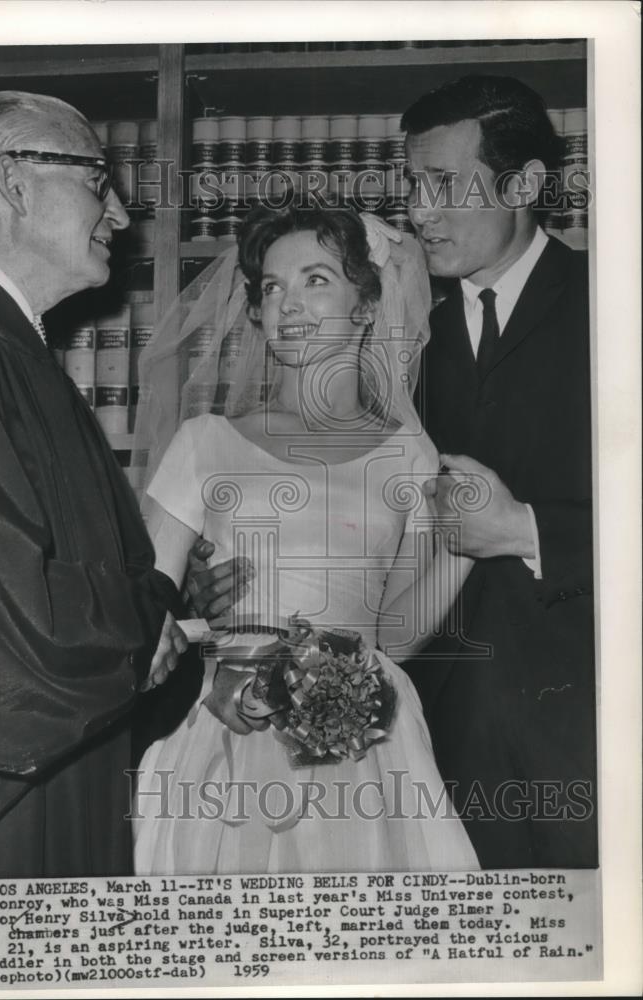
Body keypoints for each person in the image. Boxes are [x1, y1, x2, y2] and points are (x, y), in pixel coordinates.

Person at [130, 204, 479, 873]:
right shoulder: (205, 442)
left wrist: (465, 548)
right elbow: (140, 611)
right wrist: (204, 630)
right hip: (227, 725)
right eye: (271, 286)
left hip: (367, 739)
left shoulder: (408, 451)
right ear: (255, 312)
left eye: (315, 279)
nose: (287, 303)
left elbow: (398, 635)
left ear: (366, 305)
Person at [0, 90, 189, 879]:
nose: (123, 214)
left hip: (65, 762)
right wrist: (143, 628)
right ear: (14, 183)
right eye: (98, 180)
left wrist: (157, 627)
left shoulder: (12, 342)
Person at [400, 75, 596, 868]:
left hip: (590, 731)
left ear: (523, 185)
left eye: (443, 184)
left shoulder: (614, 305)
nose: (418, 211)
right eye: (411, 184)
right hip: (432, 742)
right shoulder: (406, 326)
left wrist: (523, 528)